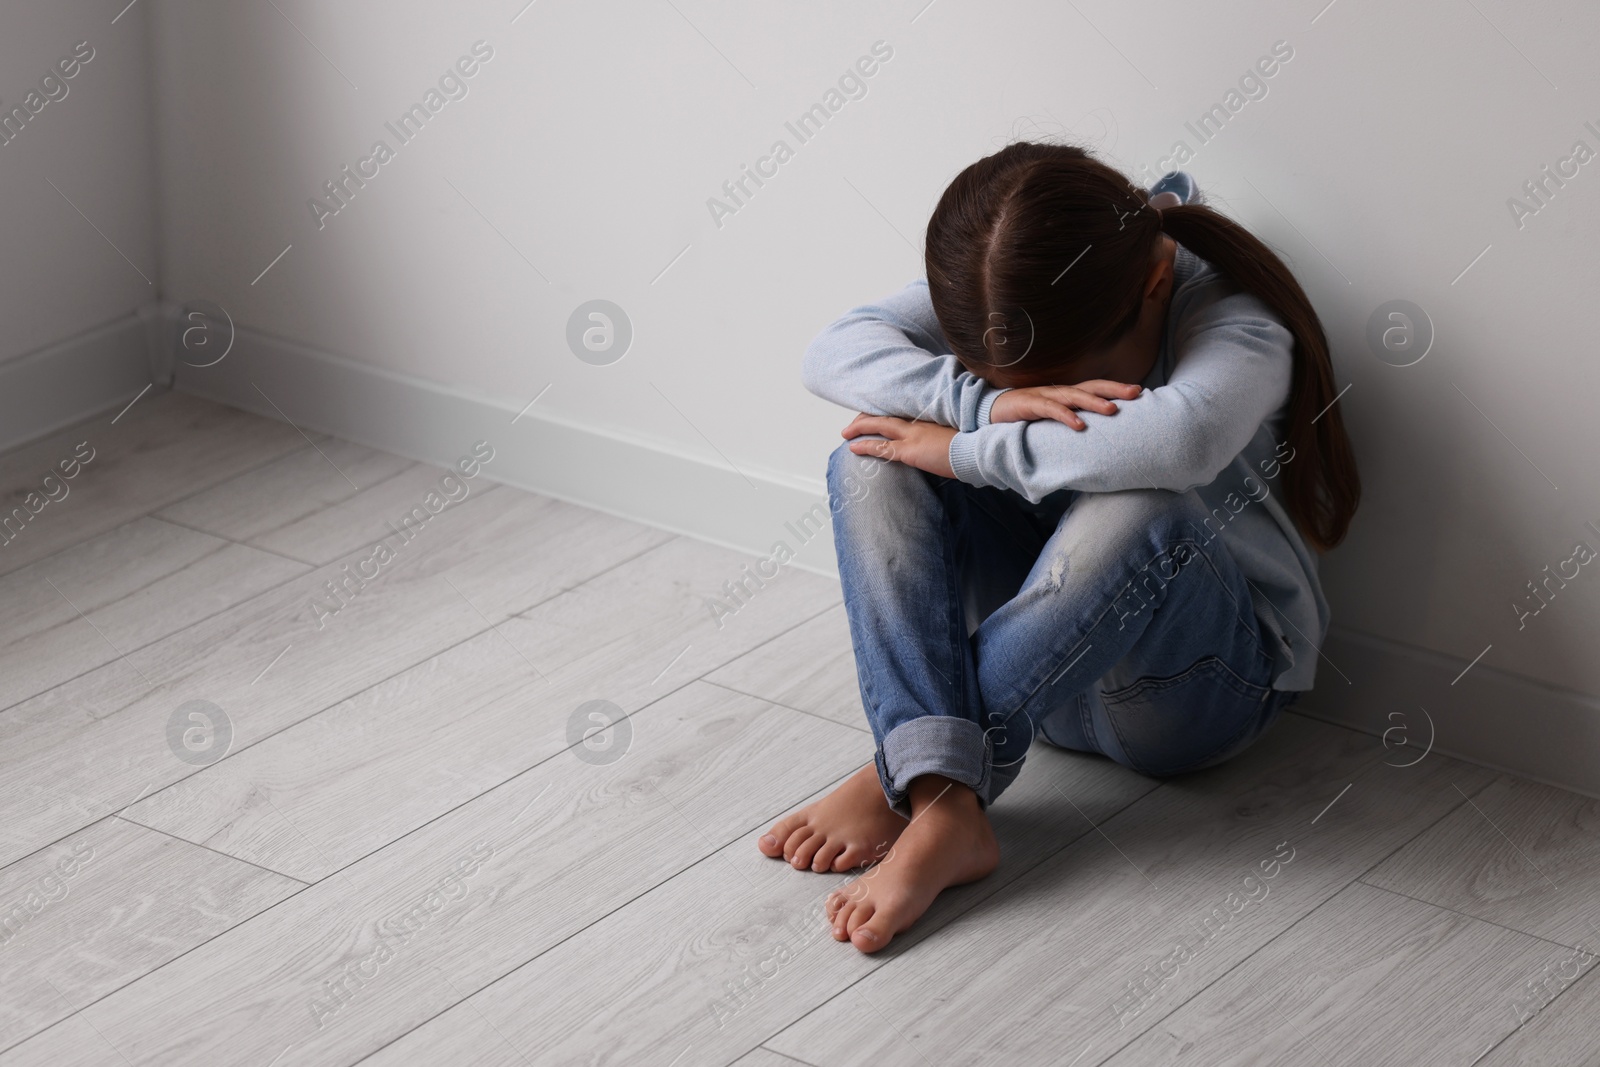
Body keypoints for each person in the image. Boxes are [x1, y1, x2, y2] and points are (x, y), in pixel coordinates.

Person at [756, 142, 1360, 954]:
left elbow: (1180, 441)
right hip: (1044, 675)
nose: (1030, 408)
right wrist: (977, 402)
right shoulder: (1011, 293)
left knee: (1145, 502)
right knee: (870, 462)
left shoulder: (1230, 316)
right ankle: (943, 795)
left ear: (1152, 284)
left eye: (1056, 394)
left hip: (1194, 694)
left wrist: (965, 449)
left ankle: (912, 772)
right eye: (1016, 393)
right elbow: (829, 351)